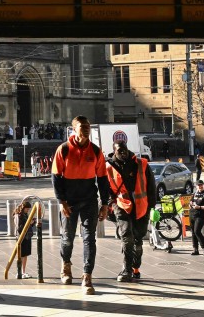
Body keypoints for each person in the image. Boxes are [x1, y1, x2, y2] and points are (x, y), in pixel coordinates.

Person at [52, 115, 111, 295]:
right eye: (82, 126)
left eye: (88, 126)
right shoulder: (63, 150)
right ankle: (66, 265)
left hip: (89, 200)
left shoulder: (95, 151)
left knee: (89, 238)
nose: (86, 129)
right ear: (74, 129)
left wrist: (105, 204)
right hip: (69, 201)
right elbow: (56, 178)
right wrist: (61, 201)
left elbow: (102, 179)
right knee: (67, 238)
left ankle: (87, 276)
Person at [105, 140, 156, 282]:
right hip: (122, 206)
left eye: (125, 149)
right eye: (119, 150)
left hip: (141, 207)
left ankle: (135, 268)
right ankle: (126, 270)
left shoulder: (142, 163)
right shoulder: (108, 167)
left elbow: (152, 187)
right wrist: (112, 205)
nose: (123, 152)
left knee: (138, 239)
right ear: (114, 151)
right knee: (127, 238)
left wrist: (151, 207)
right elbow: (106, 190)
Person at [13, 197, 39, 278]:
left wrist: (32, 222)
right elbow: (19, 228)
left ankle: (23, 271)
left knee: (25, 255)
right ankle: (20, 272)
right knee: (21, 255)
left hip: (27, 236)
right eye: (27, 209)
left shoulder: (24, 214)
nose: (28, 211)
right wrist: (28, 223)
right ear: (23, 208)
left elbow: (27, 225)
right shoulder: (18, 215)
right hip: (21, 237)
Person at [188, 179, 204, 255]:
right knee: (193, 232)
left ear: (203, 185)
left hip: (200, 215)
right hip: (192, 214)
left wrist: (199, 207)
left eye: (201, 185)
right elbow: (190, 203)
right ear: (196, 186)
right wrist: (190, 204)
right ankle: (195, 249)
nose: (200, 186)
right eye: (199, 185)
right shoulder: (195, 193)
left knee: (197, 231)